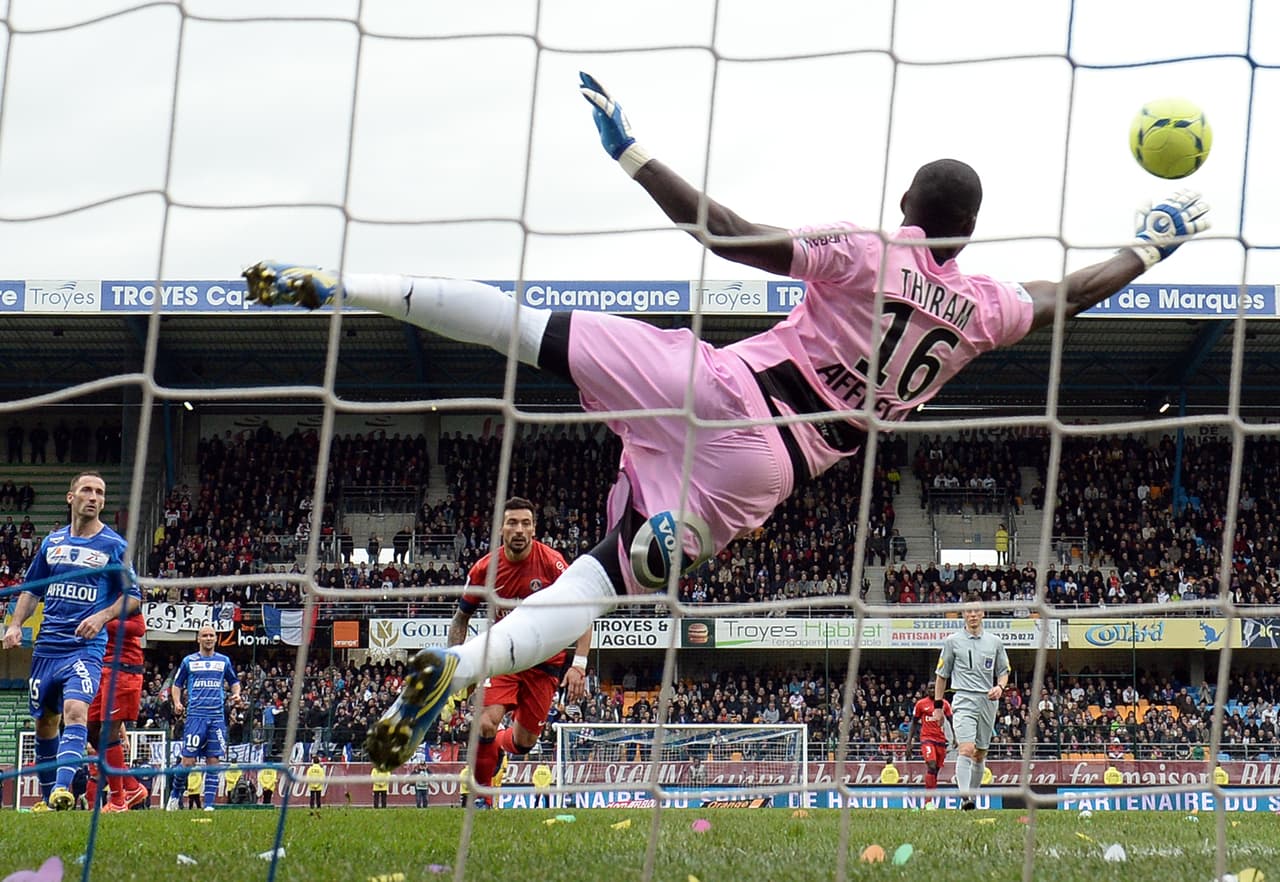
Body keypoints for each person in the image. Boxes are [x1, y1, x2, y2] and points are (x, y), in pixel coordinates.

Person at [242, 72, 1211, 771]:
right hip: (771, 476)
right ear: (965, 232)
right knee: (601, 578)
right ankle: (456, 671)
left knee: (528, 330)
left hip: (718, 393)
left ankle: (343, 285)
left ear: (909, 205)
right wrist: (1144, 248)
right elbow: (1065, 294)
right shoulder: (984, 308)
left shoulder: (870, 251)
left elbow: (729, 235)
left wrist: (633, 154)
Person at [433, 497, 591, 806]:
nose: (519, 529)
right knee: (484, 723)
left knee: (524, 742)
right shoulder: (485, 570)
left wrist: (580, 663)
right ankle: (482, 798)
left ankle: (501, 747)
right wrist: (458, 665)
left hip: (546, 663)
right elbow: (461, 617)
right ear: (500, 528)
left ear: (534, 529)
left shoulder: (552, 563)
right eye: (512, 523)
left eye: (525, 523)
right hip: (504, 657)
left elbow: (583, 612)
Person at [2, 471, 140, 811]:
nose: (94, 497)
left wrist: (102, 616)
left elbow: (134, 597)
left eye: (100, 493)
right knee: (46, 720)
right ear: (70, 497)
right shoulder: (52, 543)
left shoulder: (114, 546)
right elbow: (32, 589)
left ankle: (64, 790)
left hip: (85, 648)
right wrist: (15, 624)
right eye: (87, 491)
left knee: (75, 712)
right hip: (48, 646)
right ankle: (49, 799)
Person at [933, 594, 1010, 810]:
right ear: (963, 614)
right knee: (966, 748)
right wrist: (938, 707)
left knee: (980, 753)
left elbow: (1003, 672)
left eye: (976, 610)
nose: (973, 614)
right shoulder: (952, 642)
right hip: (964, 699)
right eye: (968, 611)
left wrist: (1000, 687)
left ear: (983, 613)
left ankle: (971, 799)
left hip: (987, 701)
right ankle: (965, 797)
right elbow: (941, 675)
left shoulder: (995, 642)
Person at [166, 625, 241, 812]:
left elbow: (234, 682)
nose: (208, 638)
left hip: (216, 717)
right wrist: (176, 702)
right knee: (187, 762)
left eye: (211, 635)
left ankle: (208, 805)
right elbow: (177, 684)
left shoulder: (223, 661)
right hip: (195, 717)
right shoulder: (189, 661)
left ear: (216, 639)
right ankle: (175, 795)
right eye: (205, 635)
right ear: (198, 639)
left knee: (213, 761)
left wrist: (237, 694)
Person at [85, 608, 150, 812]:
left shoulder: (124, 590)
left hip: (124, 667)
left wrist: (102, 620)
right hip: (100, 665)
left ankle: (118, 801)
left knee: (107, 733)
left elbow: (139, 627)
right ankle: (131, 786)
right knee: (92, 730)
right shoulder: (94, 591)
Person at [904, 689, 953, 806]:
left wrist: (956, 737)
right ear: (926, 690)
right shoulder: (921, 704)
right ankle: (928, 802)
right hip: (927, 739)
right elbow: (914, 722)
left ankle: (930, 799)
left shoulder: (944, 704)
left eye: (934, 688)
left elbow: (951, 720)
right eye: (929, 688)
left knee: (935, 771)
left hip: (941, 741)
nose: (932, 690)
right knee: (931, 765)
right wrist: (909, 742)